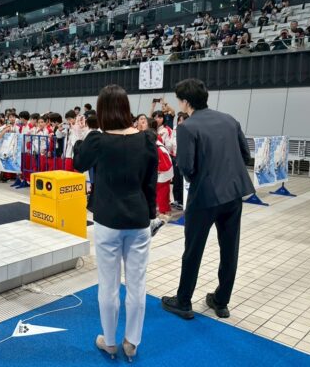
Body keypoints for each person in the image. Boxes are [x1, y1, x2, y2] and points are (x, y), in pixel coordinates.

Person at [73, 84, 158, 362]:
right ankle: (132, 342)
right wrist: (151, 214)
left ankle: (109, 342)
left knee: (108, 285)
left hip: (107, 220)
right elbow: (150, 183)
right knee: (137, 284)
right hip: (138, 219)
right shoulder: (147, 139)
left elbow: (78, 164)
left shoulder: (97, 140)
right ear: (126, 109)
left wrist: (79, 137)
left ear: (102, 111)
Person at [161, 79, 254, 320]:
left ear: (186, 102)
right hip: (233, 194)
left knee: (193, 249)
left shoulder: (188, 127)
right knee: (229, 249)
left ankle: (183, 301)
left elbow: (186, 167)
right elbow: (245, 155)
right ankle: (221, 302)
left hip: (204, 196)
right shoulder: (229, 120)